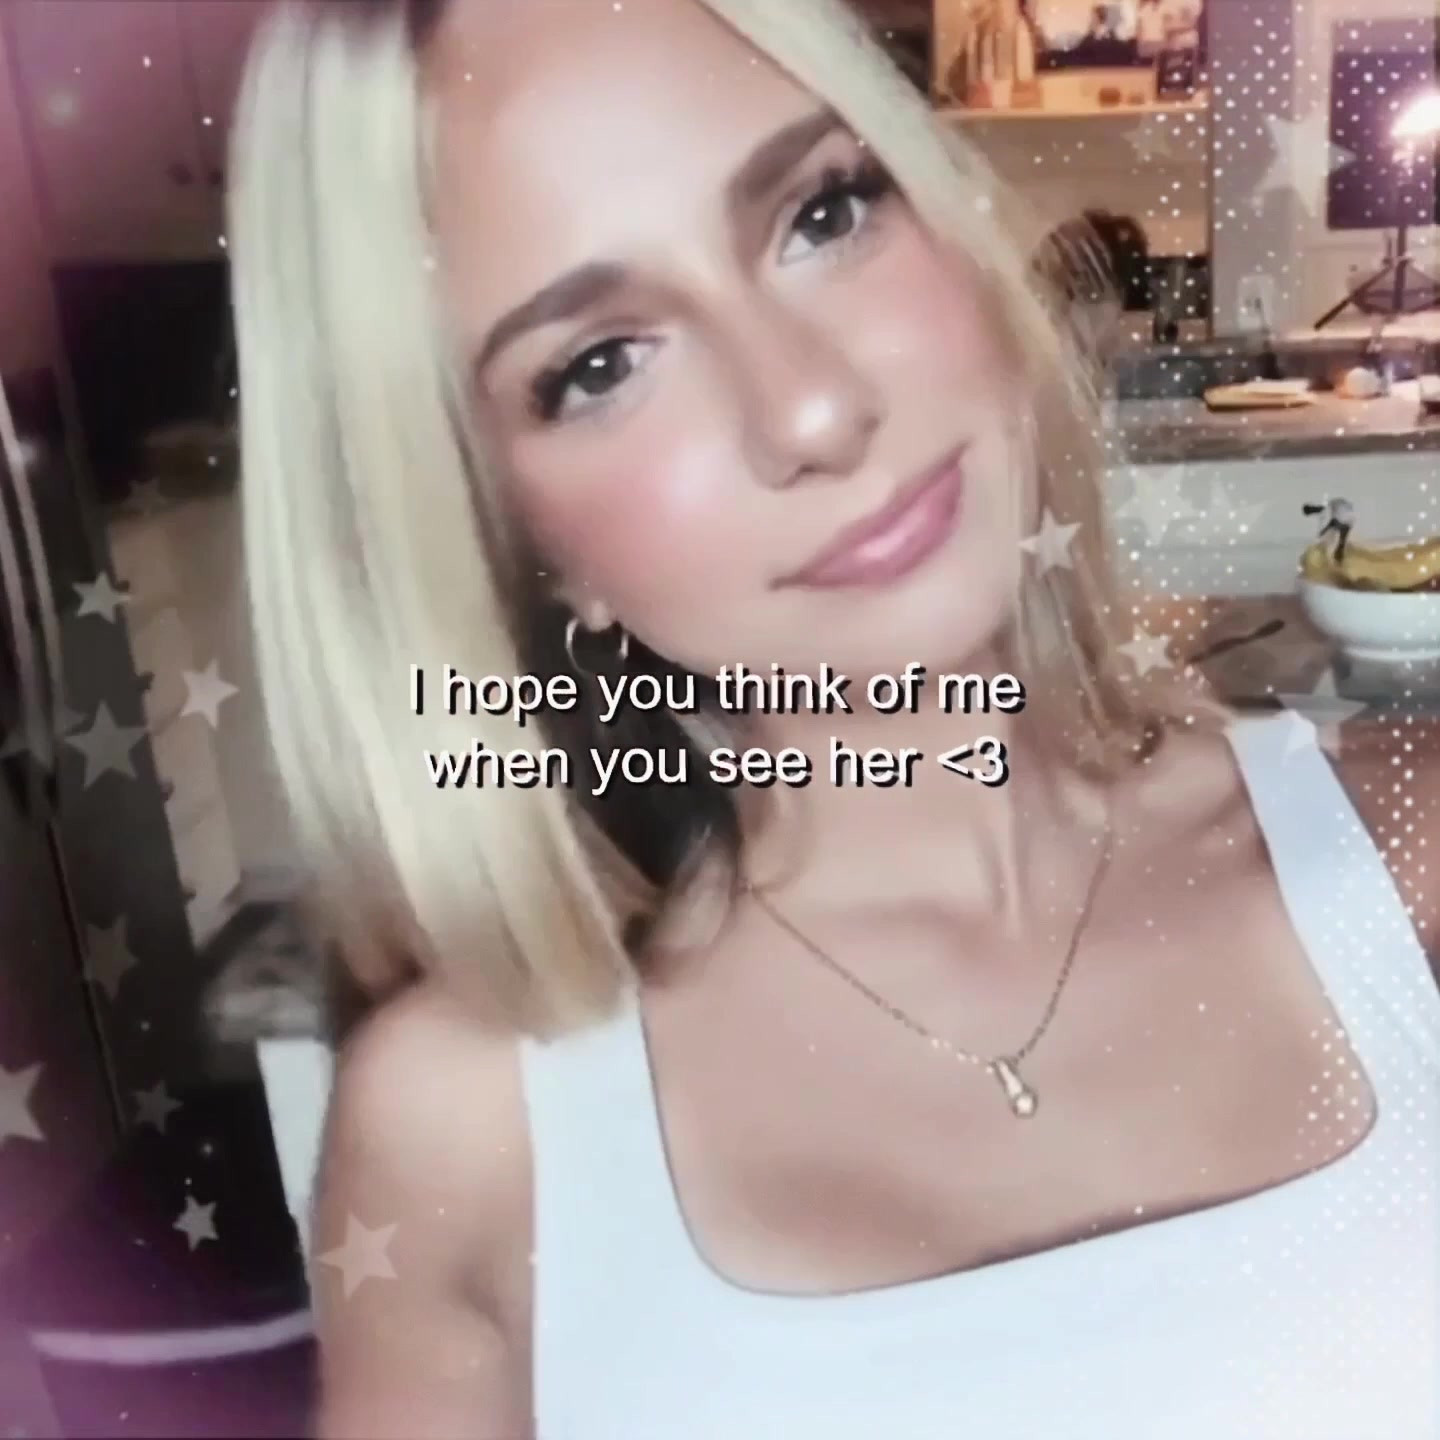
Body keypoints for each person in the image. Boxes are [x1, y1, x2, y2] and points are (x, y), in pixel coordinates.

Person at [226, 0, 1440, 1435]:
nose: (811, 411)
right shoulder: (467, 1141)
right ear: (507, 530)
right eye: (599, 366)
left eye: (823, 212)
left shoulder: (1408, 868)